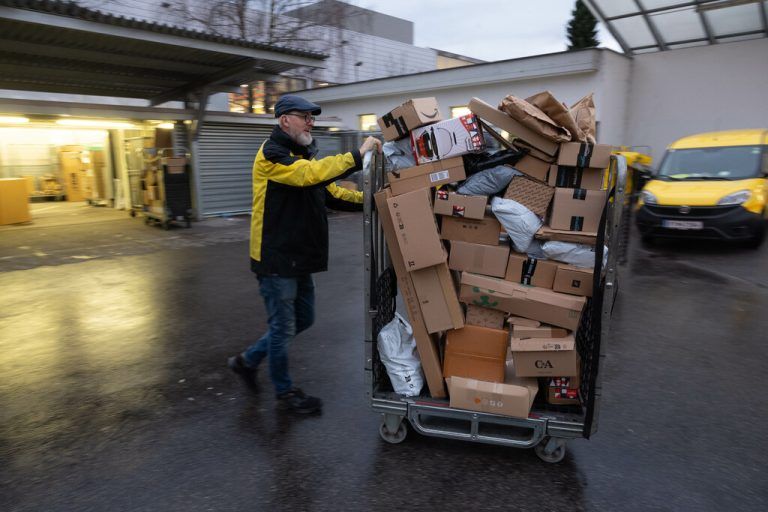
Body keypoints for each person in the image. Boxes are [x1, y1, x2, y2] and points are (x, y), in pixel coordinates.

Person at [228, 94, 382, 414]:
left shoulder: (302, 154)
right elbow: (306, 176)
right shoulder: (272, 155)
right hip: (276, 257)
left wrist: (376, 198)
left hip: (297, 254)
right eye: (305, 117)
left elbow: (330, 192)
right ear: (285, 120)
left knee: (303, 319)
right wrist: (357, 154)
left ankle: (247, 361)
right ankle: (285, 394)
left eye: (313, 118)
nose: (312, 122)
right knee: (283, 327)